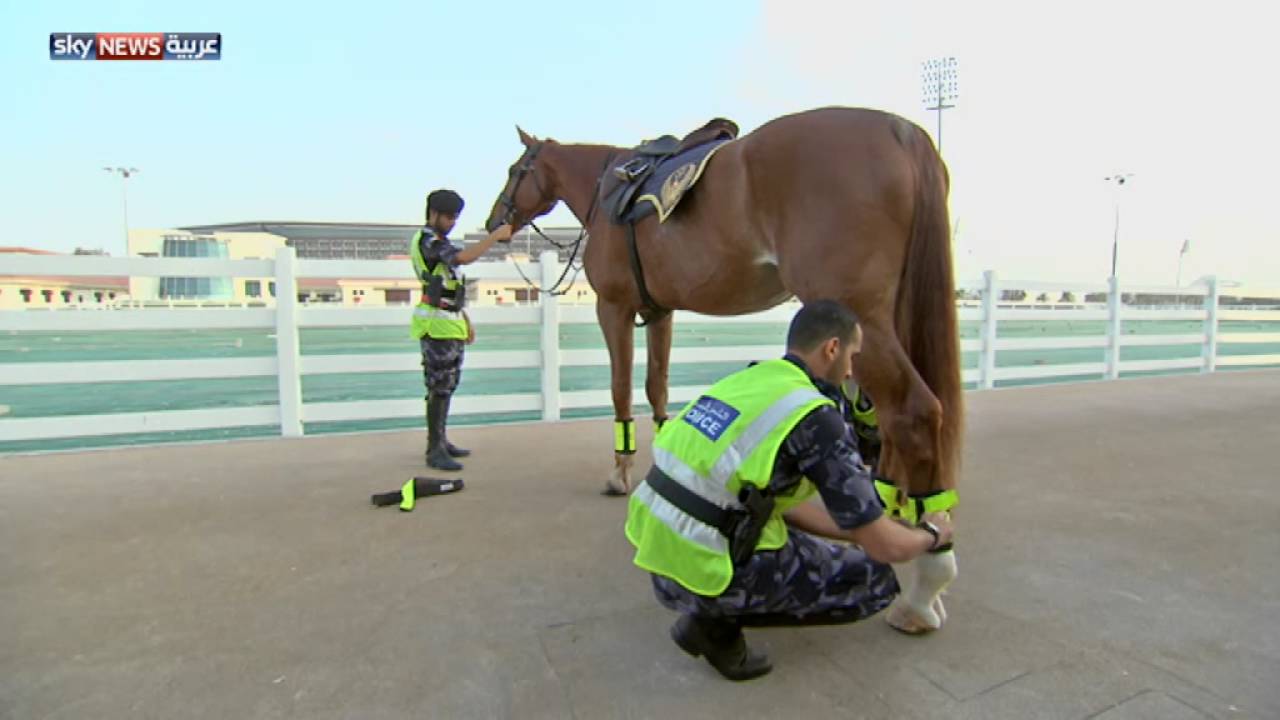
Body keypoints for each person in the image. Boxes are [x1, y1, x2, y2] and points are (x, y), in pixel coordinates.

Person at [624, 299, 955, 681]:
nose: (851, 370)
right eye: (852, 356)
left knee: (804, 534)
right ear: (832, 348)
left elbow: (770, 503)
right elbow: (886, 548)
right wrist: (930, 535)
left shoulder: (750, 381)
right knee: (872, 577)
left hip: (658, 556)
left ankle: (711, 606)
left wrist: (857, 530)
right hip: (706, 568)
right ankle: (714, 624)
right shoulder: (815, 417)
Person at [410, 189, 512, 471]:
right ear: (433, 214)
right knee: (438, 386)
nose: (453, 221)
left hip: (449, 320)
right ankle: (434, 448)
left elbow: (449, 284)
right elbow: (463, 259)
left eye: (455, 217)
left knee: (448, 385)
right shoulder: (428, 240)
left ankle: (441, 441)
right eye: (448, 216)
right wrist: (494, 236)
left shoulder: (440, 240)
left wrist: (465, 319)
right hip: (435, 323)